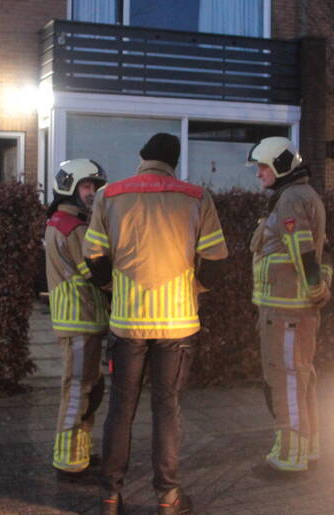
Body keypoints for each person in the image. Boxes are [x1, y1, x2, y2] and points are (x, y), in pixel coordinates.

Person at [84, 133, 227, 515]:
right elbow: (215, 261)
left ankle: (110, 497)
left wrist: (114, 286)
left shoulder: (110, 195)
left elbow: (93, 256)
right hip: (178, 325)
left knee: (120, 409)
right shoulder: (197, 198)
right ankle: (168, 498)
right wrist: (192, 287)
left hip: (128, 323)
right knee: (167, 409)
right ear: (174, 162)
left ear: (142, 157)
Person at [246, 136, 330, 478]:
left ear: (280, 165)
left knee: (286, 381)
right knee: (301, 378)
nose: (259, 174)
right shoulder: (299, 196)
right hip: (292, 309)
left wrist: (314, 288)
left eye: (263, 167)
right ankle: (307, 448)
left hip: (286, 310)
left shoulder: (292, 198)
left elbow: (302, 249)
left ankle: (289, 458)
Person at [44, 158, 109, 482]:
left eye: (95, 187)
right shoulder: (74, 228)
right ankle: (69, 460)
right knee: (78, 391)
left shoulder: (60, 222)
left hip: (79, 321)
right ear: (68, 187)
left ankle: (78, 452)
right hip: (81, 320)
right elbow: (97, 273)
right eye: (86, 186)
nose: (92, 193)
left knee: (88, 390)